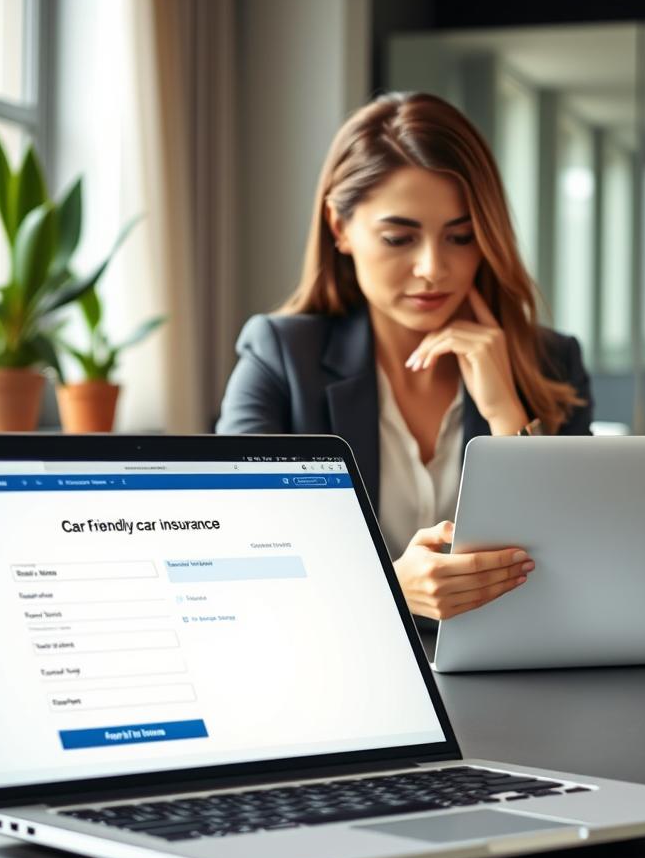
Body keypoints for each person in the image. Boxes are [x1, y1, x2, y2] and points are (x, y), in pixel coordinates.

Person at [217, 92, 592, 621]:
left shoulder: (552, 361)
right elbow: (239, 559)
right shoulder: (279, 356)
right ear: (340, 228)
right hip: (344, 657)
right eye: (399, 238)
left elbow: (576, 566)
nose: (433, 268)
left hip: (511, 657)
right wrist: (388, 586)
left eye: (460, 237)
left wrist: (505, 413)